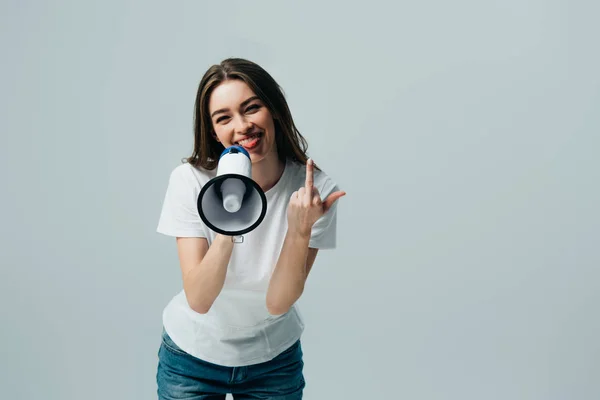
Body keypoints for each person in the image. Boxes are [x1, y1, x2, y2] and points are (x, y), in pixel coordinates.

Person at [155, 58, 345, 399]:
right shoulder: (189, 181)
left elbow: (278, 302)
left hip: (273, 360)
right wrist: (230, 217)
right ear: (214, 132)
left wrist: (300, 231)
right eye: (224, 118)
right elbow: (199, 299)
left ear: (272, 110)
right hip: (191, 357)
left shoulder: (311, 192)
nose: (242, 126)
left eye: (251, 108)